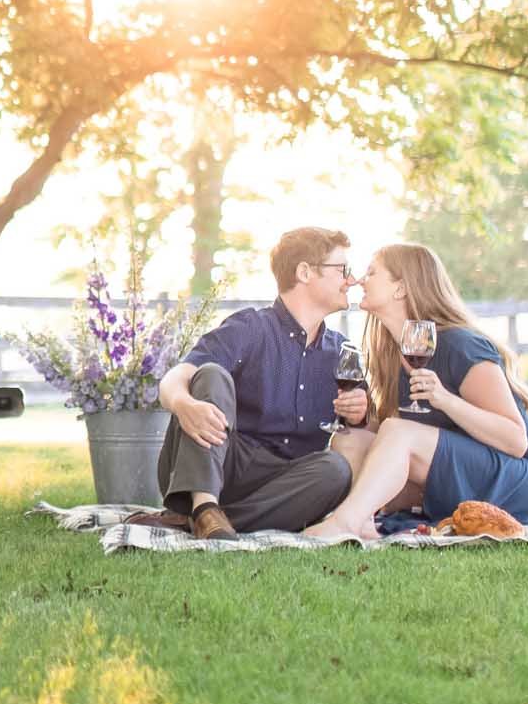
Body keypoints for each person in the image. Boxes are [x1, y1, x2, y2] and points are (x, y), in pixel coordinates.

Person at [303, 242, 528, 541]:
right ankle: (363, 524)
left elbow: (515, 440)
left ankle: (344, 523)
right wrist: (359, 417)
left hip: (519, 482)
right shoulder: (393, 353)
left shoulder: (460, 346)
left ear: (401, 288)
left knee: (398, 431)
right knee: (351, 439)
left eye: (372, 272)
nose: (359, 280)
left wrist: (444, 399)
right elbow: (395, 437)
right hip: (456, 473)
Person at [153, 226, 372, 539]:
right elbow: (177, 377)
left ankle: (209, 521)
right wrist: (183, 404)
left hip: (283, 482)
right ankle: (203, 505)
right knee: (211, 374)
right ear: (305, 272)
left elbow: (364, 426)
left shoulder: (340, 351)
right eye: (342, 270)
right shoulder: (249, 328)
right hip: (219, 460)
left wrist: (360, 413)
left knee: (335, 470)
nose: (350, 280)